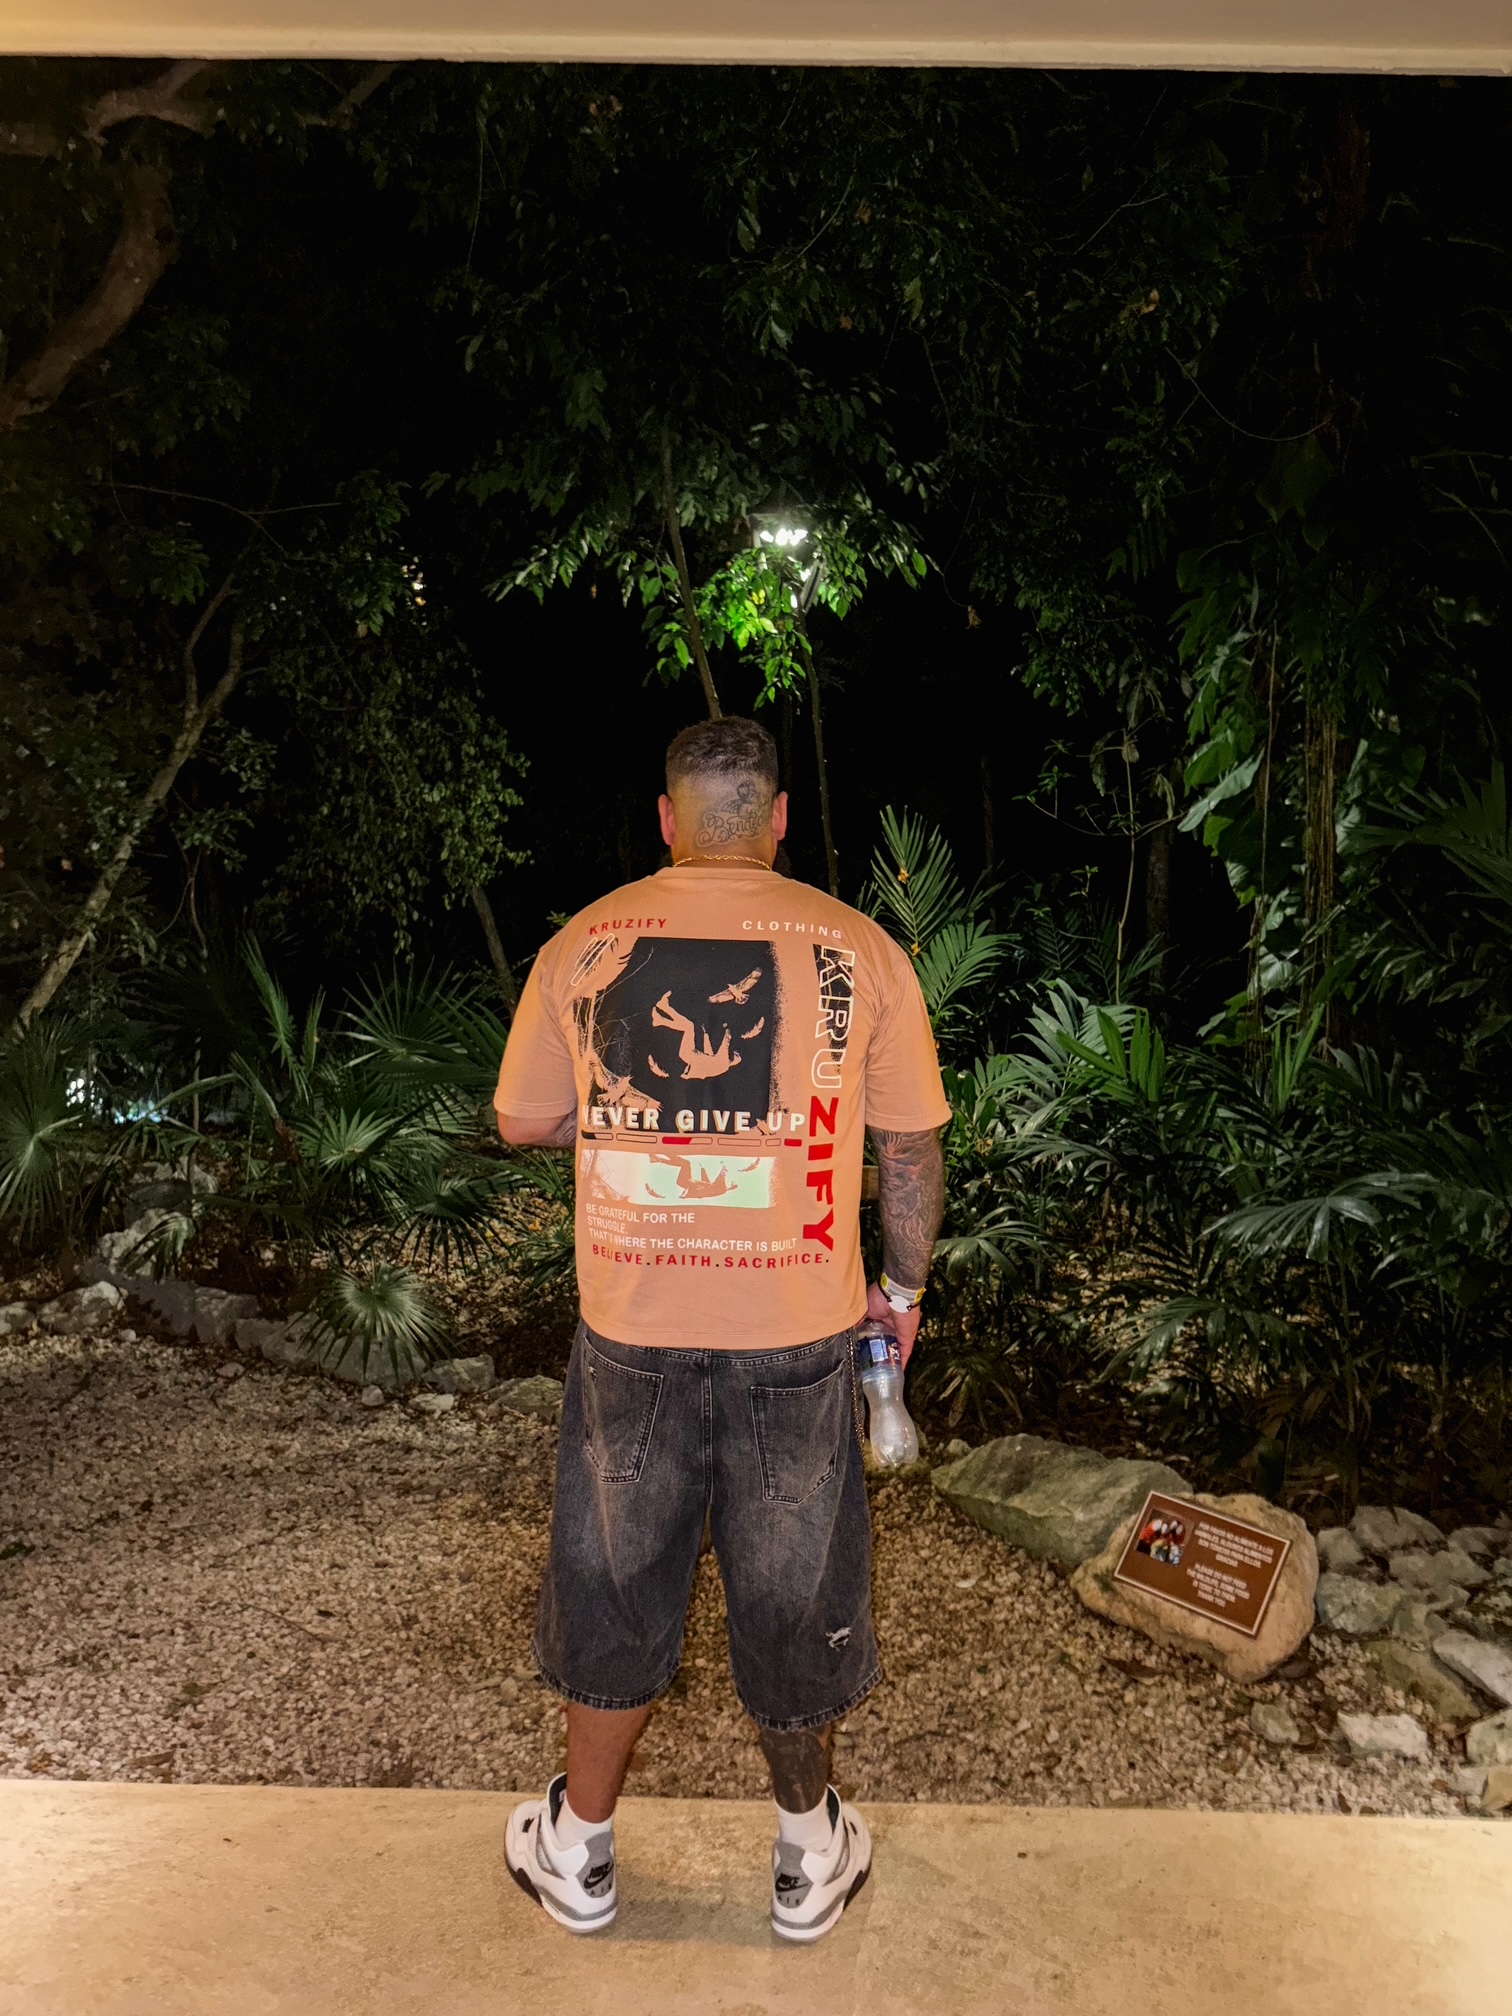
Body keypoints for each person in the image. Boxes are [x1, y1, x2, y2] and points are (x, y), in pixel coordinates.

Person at [493, 715, 949, 1942]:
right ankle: (807, 1857)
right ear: (780, 819)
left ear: (667, 821)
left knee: (611, 1577)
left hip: (631, 1329)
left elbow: (522, 1120)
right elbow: (911, 1147)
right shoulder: (859, 949)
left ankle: (578, 1851)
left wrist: (617, 1113)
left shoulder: (587, 943)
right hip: (797, 1330)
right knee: (796, 1589)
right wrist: (900, 1298)